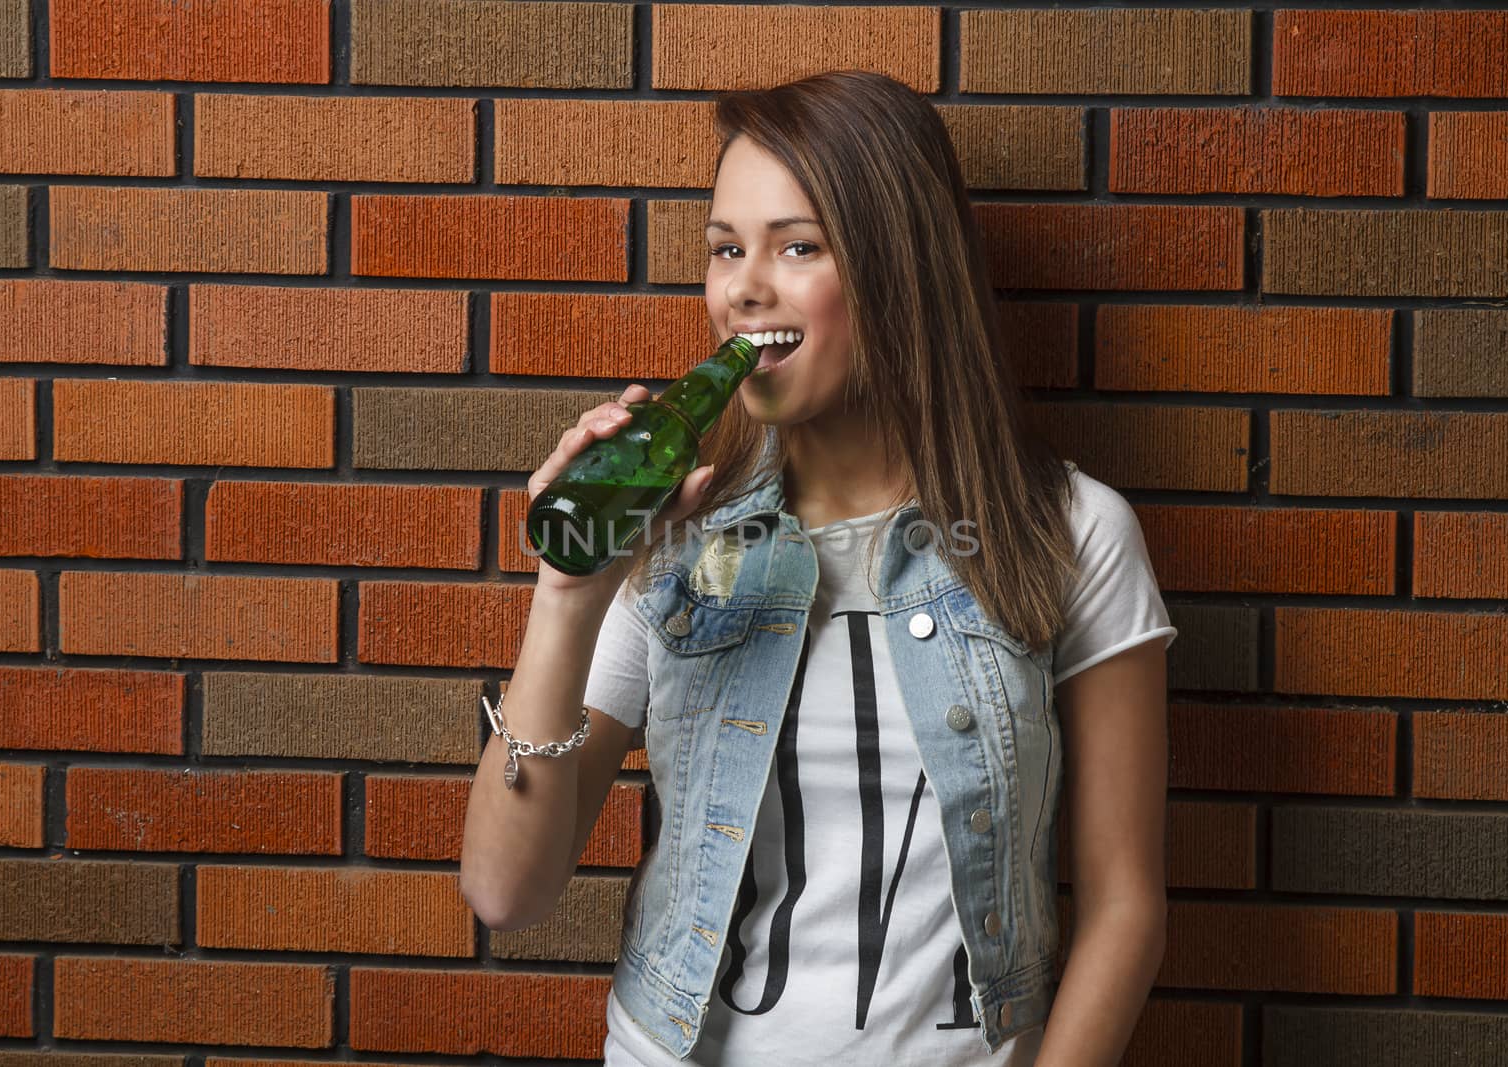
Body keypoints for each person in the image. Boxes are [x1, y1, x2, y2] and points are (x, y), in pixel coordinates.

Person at [461, 69, 1177, 1067]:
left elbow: (1125, 906)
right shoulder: (674, 543)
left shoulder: (1066, 532)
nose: (743, 286)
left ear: (898, 269)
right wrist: (567, 594)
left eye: (797, 246)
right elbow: (506, 891)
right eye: (725, 249)